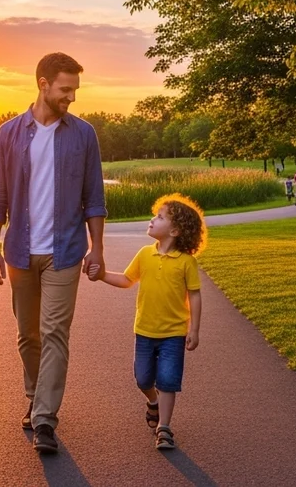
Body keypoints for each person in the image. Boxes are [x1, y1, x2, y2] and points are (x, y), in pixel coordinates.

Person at [0, 52, 108, 454]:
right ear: (43, 83)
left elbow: (94, 198)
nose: (71, 97)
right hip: (19, 249)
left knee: (55, 332)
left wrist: (97, 248)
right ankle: (35, 396)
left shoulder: (83, 134)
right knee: (28, 335)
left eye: (75, 90)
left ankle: (45, 420)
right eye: (65, 89)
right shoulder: (9, 135)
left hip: (65, 251)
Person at [86, 193, 205, 451]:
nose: (152, 219)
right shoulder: (144, 254)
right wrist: (102, 275)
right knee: (143, 379)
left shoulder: (186, 262)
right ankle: (152, 401)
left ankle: (164, 428)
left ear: (174, 230)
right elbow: (127, 280)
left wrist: (193, 329)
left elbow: (194, 296)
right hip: (144, 331)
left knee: (168, 380)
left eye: (159, 217)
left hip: (173, 333)